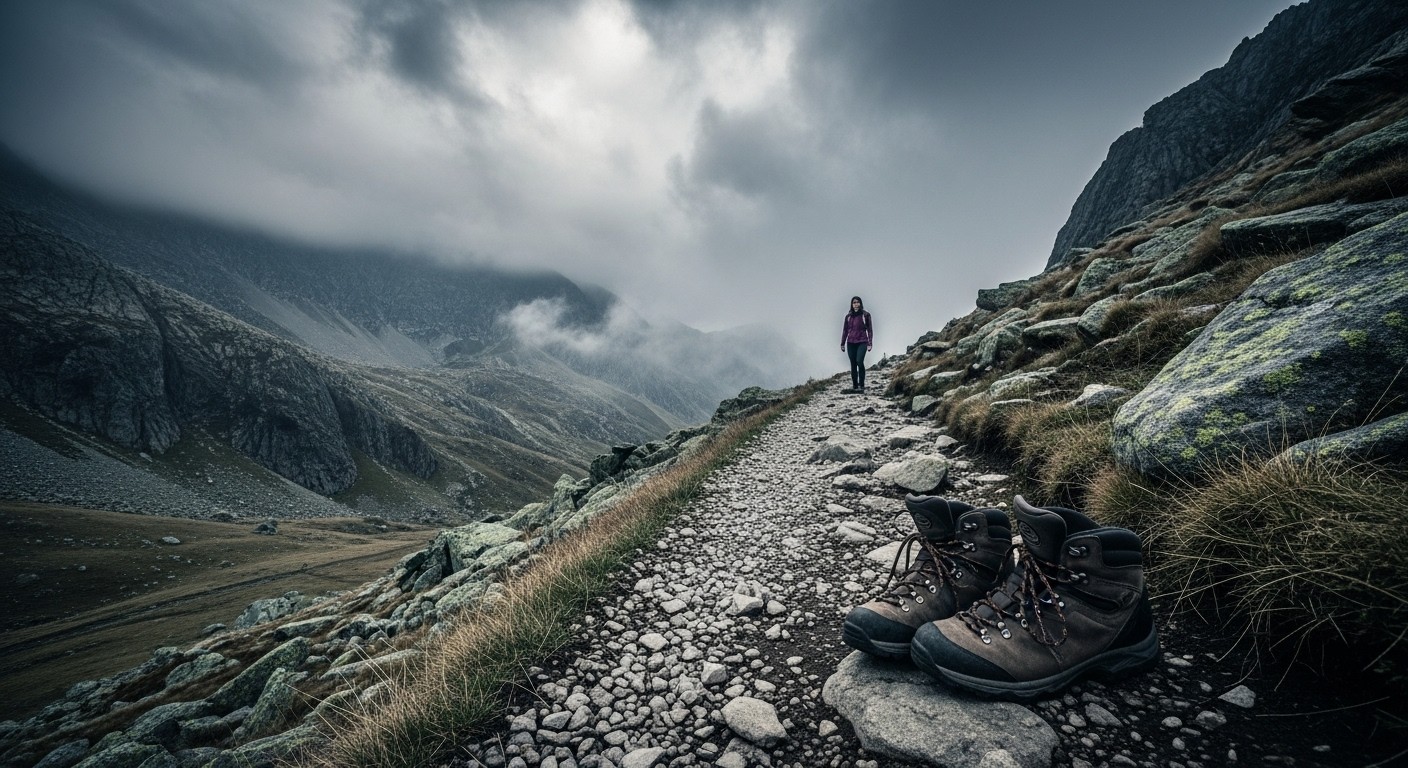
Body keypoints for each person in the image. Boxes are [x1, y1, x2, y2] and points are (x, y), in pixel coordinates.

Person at [840, 295, 873, 391]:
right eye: (854, 302)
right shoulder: (848, 317)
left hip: (862, 341)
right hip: (850, 342)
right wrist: (842, 343)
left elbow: (870, 330)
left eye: (857, 302)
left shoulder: (865, 315)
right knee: (853, 363)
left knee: (859, 361)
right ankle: (855, 385)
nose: (856, 304)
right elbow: (845, 331)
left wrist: (870, 343)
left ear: (861, 303)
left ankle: (861, 384)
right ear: (851, 304)